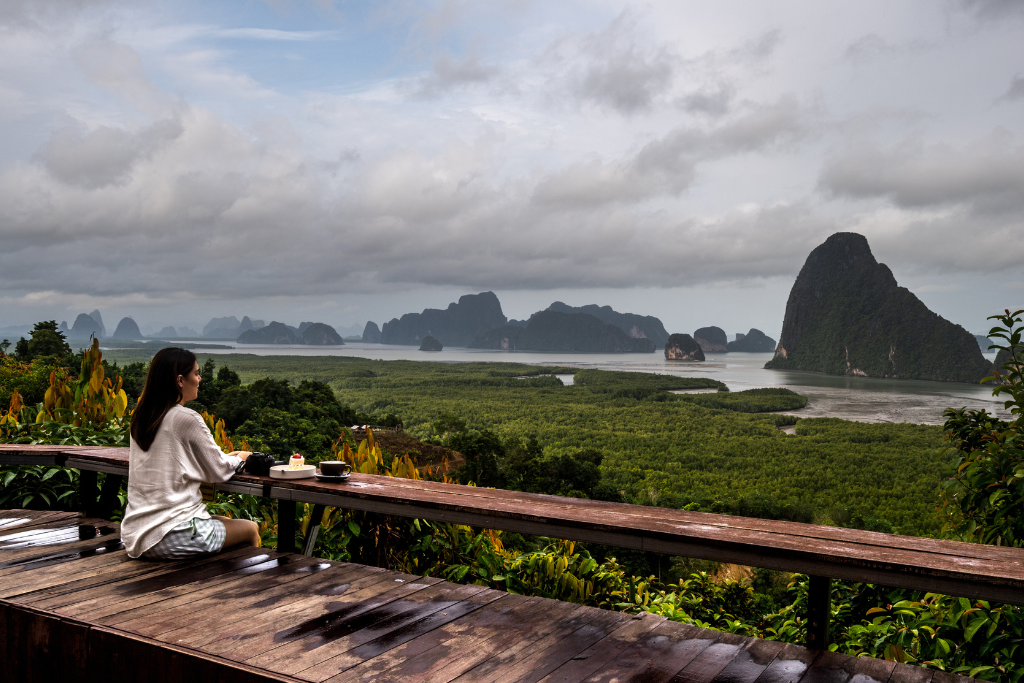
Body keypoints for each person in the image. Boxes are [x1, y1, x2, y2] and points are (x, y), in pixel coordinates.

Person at [121, 347, 260, 559]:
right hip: (171, 534)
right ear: (180, 380)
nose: (200, 378)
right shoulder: (186, 418)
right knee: (250, 528)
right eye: (196, 373)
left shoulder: (142, 418)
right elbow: (218, 471)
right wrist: (239, 459)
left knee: (222, 521)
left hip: (137, 535)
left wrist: (226, 459)